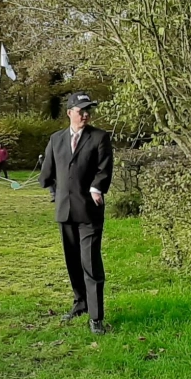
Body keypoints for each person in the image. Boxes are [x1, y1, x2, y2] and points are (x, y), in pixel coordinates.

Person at [39, 91, 115, 333]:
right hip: (65, 212)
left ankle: (96, 317)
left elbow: (104, 169)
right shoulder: (56, 139)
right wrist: (55, 195)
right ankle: (80, 303)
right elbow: (48, 173)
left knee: (90, 263)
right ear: (69, 113)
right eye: (81, 110)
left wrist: (96, 188)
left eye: (88, 110)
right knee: (72, 262)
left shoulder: (99, 138)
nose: (85, 114)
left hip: (89, 212)